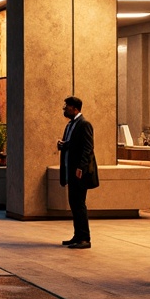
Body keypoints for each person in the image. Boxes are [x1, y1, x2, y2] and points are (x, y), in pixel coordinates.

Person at [57, 96, 99, 249]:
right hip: (71, 170)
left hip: (79, 172)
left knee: (79, 204)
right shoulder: (70, 125)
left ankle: (84, 238)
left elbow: (88, 148)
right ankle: (78, 235)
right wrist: (63, 145)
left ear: (75, 108)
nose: (64, 109)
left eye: (67, 106)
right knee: (74, 203)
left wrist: (80, 167)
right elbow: (74, 144)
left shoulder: (84, 124)